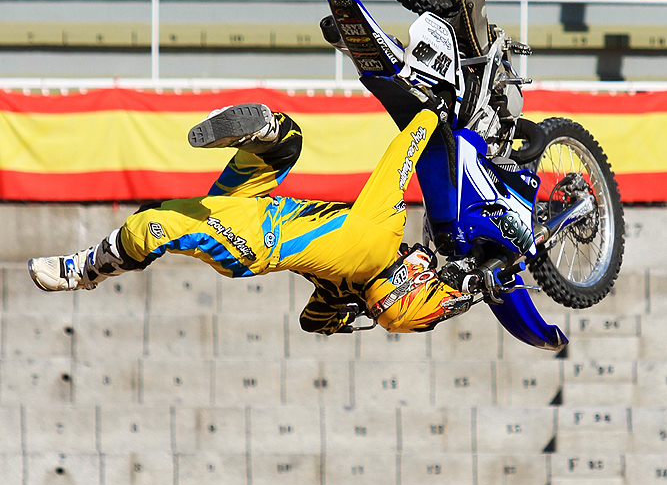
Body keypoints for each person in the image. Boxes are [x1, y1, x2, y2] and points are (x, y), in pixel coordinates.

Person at [28, 102, 471, 333]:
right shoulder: (344, 288)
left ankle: (82, 271)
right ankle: (261, 134)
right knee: (284, 147)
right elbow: (310, 322)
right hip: (248, 211)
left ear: (414, 285)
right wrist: (349, 312)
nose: (425, 258)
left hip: (251, 238)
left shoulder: (382, 235)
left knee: (150, 225)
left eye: (431, 275)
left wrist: (430, 115)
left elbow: (399, 161)